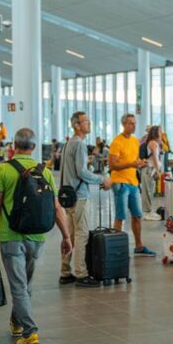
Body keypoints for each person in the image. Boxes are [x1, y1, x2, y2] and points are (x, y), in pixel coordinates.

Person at [0, 128, 72, 344]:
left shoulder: (3, 169)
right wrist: (66, 236)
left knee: (19, 287)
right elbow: (57, 207)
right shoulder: (44, 171)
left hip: (11, 237)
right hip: (37, 237)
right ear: (34, 147)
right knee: (24, 285)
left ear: (13, 145)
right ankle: (17, 322)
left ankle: (30, 333)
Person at [59, 111, 110, 286]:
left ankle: (65, 271)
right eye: (86, 121)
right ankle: (81, 273)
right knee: (81, 235)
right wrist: (102, 179)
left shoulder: (67, 144)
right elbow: (82, 172)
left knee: (70, 235)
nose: (89, 123)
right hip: (79, 196)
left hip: (68, 196)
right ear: (77, 125)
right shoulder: (79, 144)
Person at [108, 113, 155, 256]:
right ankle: (116, 247)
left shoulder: (135, 142)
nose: (133, 126)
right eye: (130, 123)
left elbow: (134, 161)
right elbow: (112, 165)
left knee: (137, 215)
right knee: (120, 216)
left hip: (133, 183)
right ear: (124, 124)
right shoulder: (117, 142)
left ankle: (139, 246)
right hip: (120, 183)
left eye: (134, 123)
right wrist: (130, 164)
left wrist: (140, 164)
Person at [139, 125, 162, 218]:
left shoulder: (155, 142)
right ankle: (147, 212)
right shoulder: (153, 143)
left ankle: (149, 211)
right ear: (155, 132)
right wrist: (158, 170)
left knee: (149, 191)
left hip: (150, 170)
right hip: (149, 169)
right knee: (147, 191)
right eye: (160, 131)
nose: (161, 133)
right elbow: (155, 159)